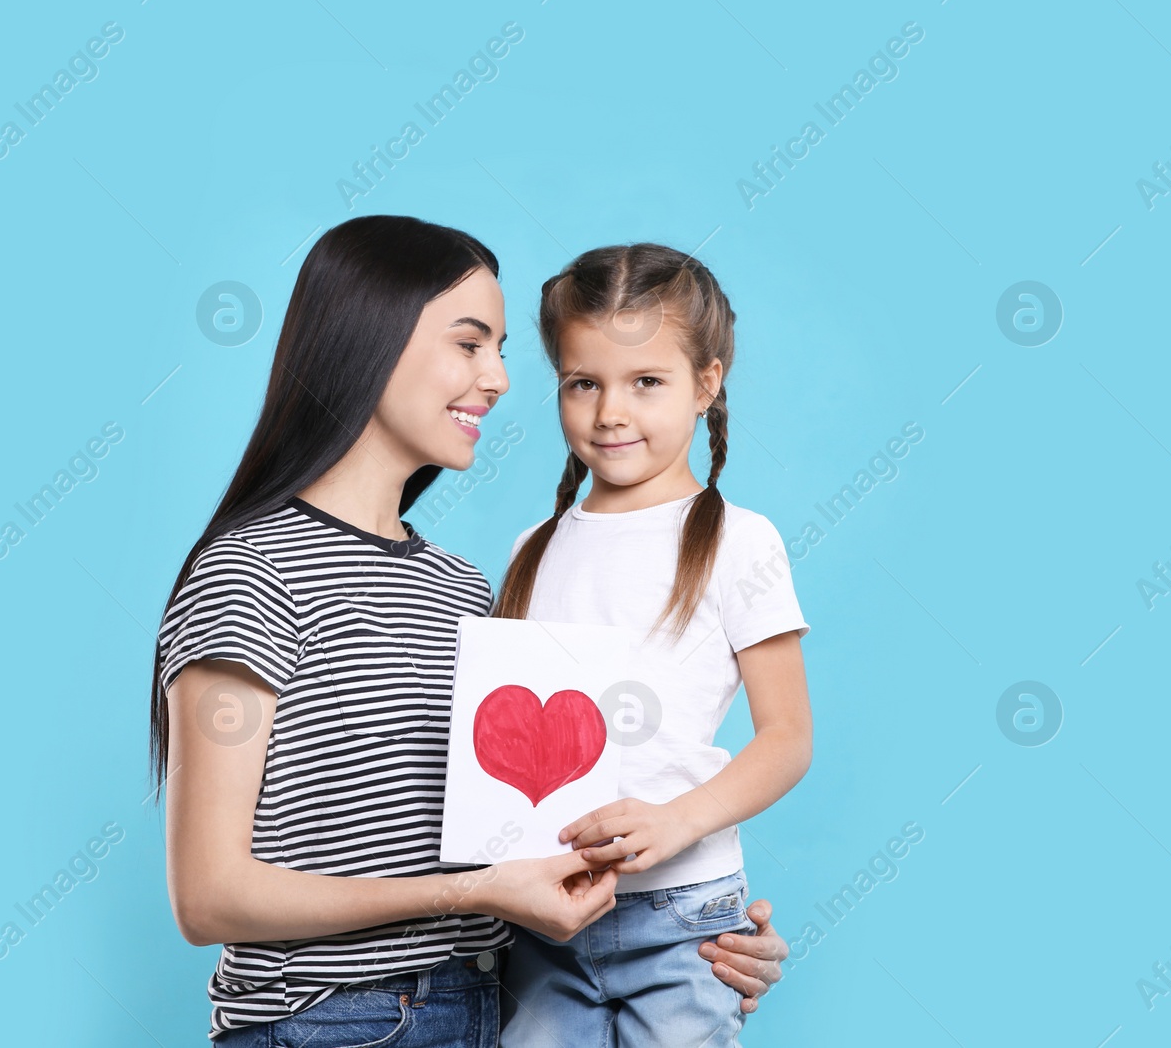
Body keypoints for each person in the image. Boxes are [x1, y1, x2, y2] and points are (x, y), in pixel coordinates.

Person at [153, 216, 790, 1045]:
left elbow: (513, 828)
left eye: (498, 348)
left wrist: (700, 936)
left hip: (487, 1001)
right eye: (469, 343)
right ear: (368, 338)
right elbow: (208, 895)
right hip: (334, 1022)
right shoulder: (254, 572)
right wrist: (476, 895)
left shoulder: (462, 588)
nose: (497, 377)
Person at [492, 244, 813, 1047]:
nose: (610, 412)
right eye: (583, 382)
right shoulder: (533, 545)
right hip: (547, 912)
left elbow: (788, 737)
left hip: (683, 911)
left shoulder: (740, 541)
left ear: (707, 382)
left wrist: (678, 821)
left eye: (646, 382)